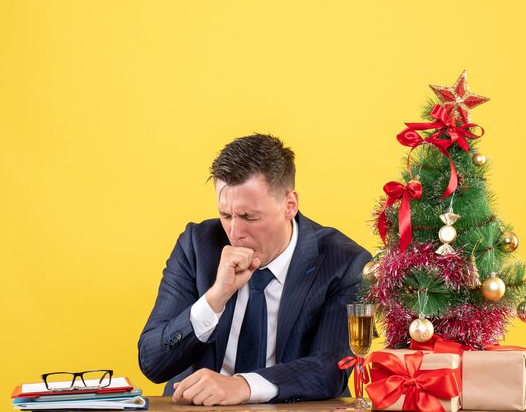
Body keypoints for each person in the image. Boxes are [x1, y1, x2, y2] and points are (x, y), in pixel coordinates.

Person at [138, 133, 371, 405]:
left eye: (249, 216)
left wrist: (243, 386)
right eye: (226, 215)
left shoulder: (345, 261)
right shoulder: (196, 246)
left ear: (289, 205)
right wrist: (214, 299)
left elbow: (331, 369)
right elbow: (152, 363)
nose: (235, 232)